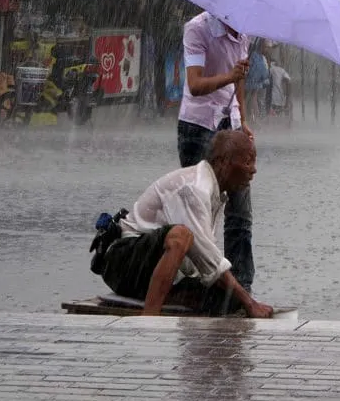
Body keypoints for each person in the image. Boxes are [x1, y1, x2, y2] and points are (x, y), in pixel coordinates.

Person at [100, 131, 273, 318]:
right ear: (222, 162)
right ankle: (149, 317)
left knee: (228, 300)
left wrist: (240, 299)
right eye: (247, 162)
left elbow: (206, 263)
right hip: (123, 264)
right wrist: (250, 302)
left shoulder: (215, 193)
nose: (253, 170)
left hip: (152, 272)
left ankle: (168, 298)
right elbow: (209, 258)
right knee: (181, 236)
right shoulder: (194, 188)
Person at [177, 10, 254, 291]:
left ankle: (241, 287)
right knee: (198, 213)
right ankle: (197, 283)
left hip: (231, 126)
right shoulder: (197, 29)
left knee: (240, 212)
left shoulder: (245, 34)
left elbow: (239, 81)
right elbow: (196, 85)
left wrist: (243, 121)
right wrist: (230, 75)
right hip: (198, 128)